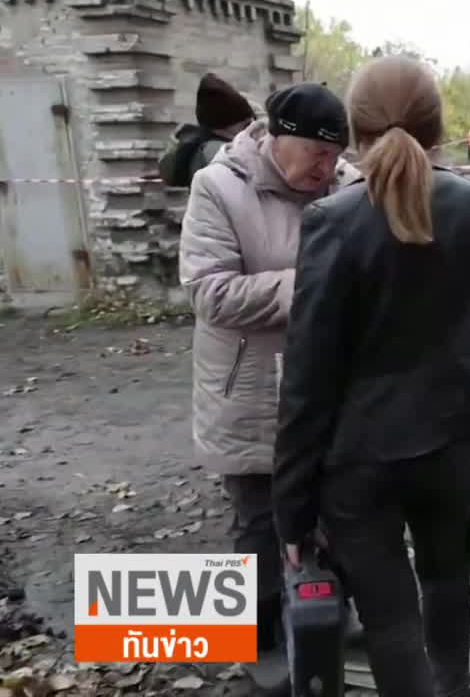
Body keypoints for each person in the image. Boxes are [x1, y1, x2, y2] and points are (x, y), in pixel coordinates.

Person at [272, 55, 470, 697]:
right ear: (439, 126)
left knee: (389, 619)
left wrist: (292, 513)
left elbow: (308, 375)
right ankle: (453, 685)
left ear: (355, 133)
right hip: (450, 449)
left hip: (359, 463)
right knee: (446, 578)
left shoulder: (331, 222)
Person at [177, 82, 352, 689]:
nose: (328, 170)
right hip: (249, 386)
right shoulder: (218, 188)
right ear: (278, 139)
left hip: (329, 386)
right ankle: (256, 633)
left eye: (336, 157)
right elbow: (209, 291)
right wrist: (310, 288)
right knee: (259, 517)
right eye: (317, 156)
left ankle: (330, 614)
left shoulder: (347, 185)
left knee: (335, 508)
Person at [157, 73, 255, 187]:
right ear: (226, 124)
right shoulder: (221, 154)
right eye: (246, 123)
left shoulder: (198, 144)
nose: (251, 127)